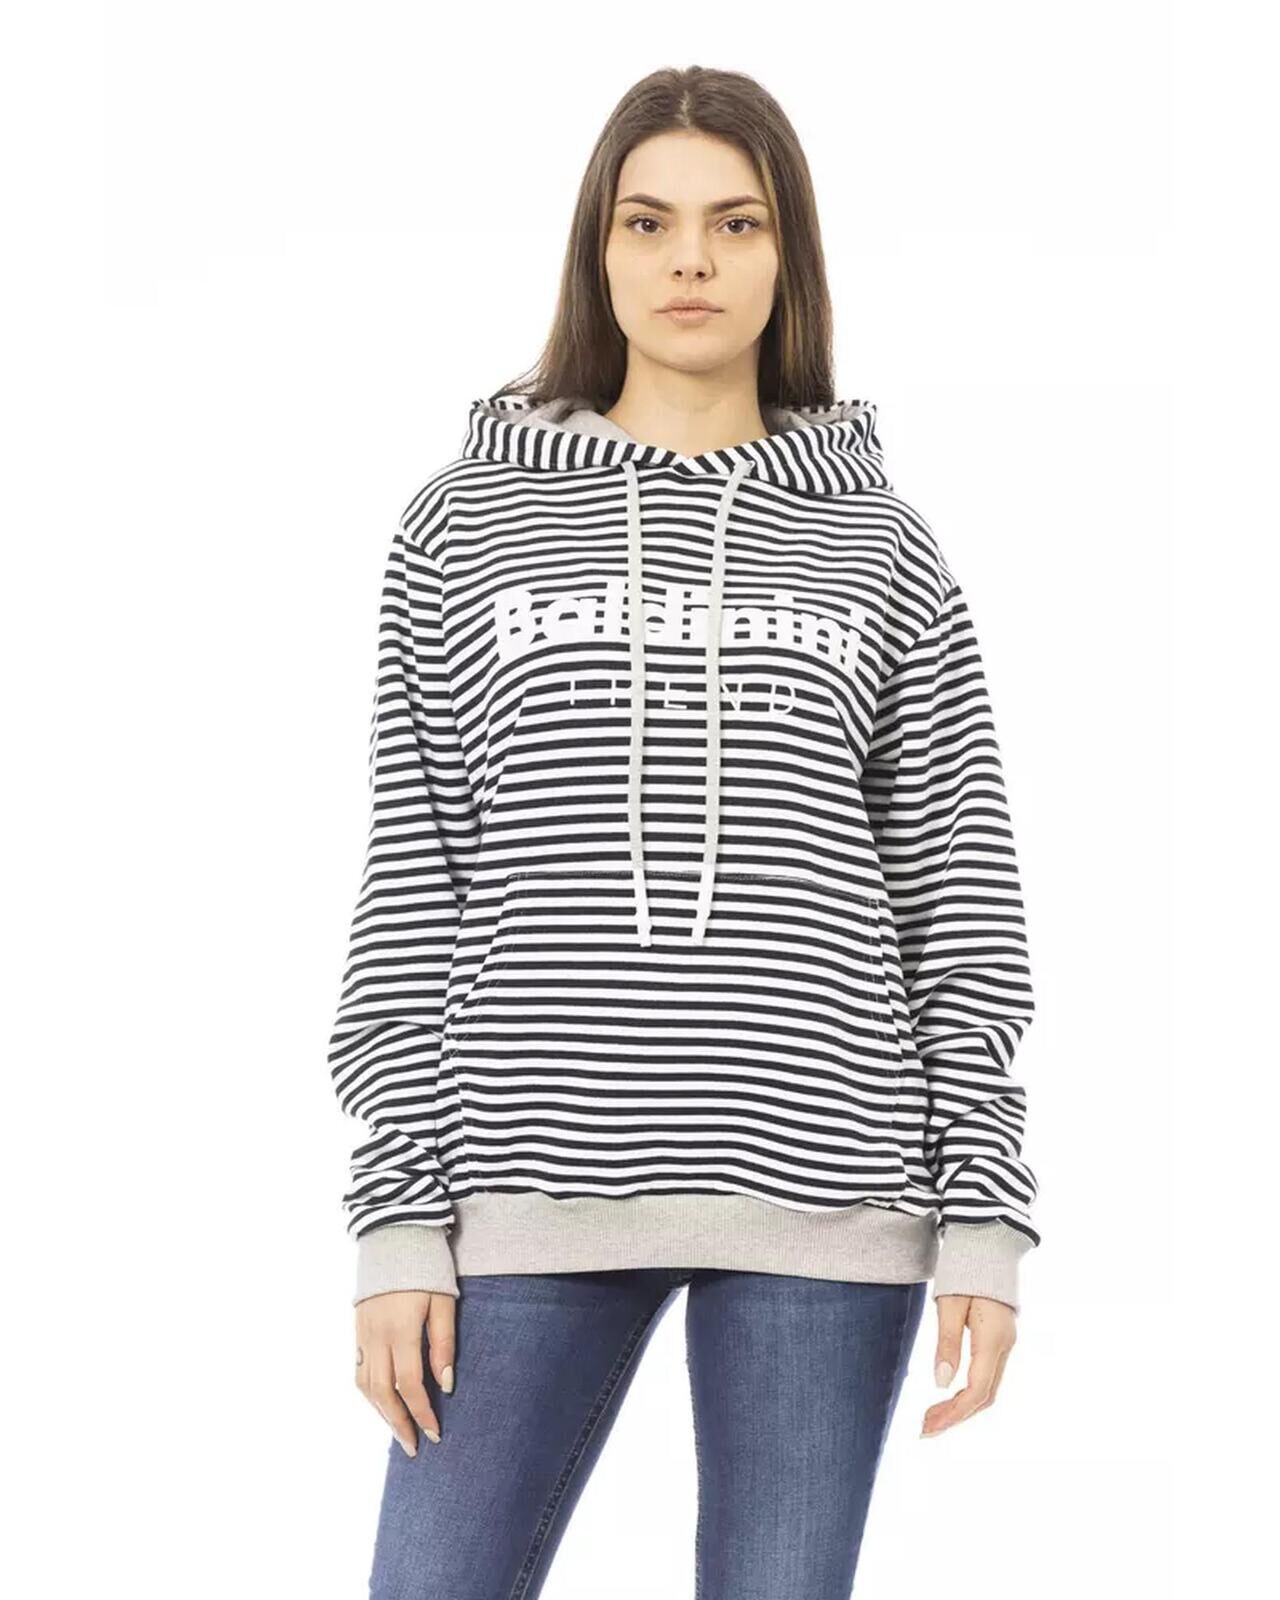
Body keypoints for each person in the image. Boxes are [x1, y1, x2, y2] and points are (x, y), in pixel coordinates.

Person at [327, 64, 1041, 1600]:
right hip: (522, 1179)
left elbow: (959, 893)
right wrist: (395, 1220)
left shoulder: (884, 542)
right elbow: (415, 883)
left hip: (829, 1188)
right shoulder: (460, 524)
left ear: (789, 255)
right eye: (648, 223)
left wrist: (986, 1216)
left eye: (737, 222)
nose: (691, 261)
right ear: (599, 249)